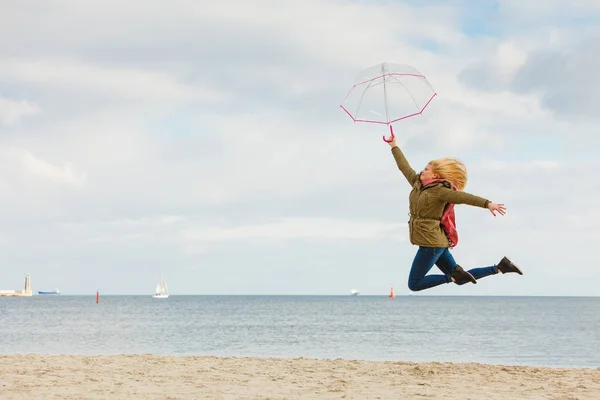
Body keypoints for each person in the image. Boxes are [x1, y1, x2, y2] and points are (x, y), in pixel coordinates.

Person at [384, 132, 523, 292]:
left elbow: (464, 197)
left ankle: (452, 277)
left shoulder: (440, 191)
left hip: (431, 243)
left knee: (414, 284)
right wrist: (394, 146)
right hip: (436, 242)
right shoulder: (417, 183)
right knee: (461, 278)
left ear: (434, 175)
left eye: (426, 169)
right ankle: (500, 267)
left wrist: (487, 204)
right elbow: (404, 167)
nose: (422, 171)